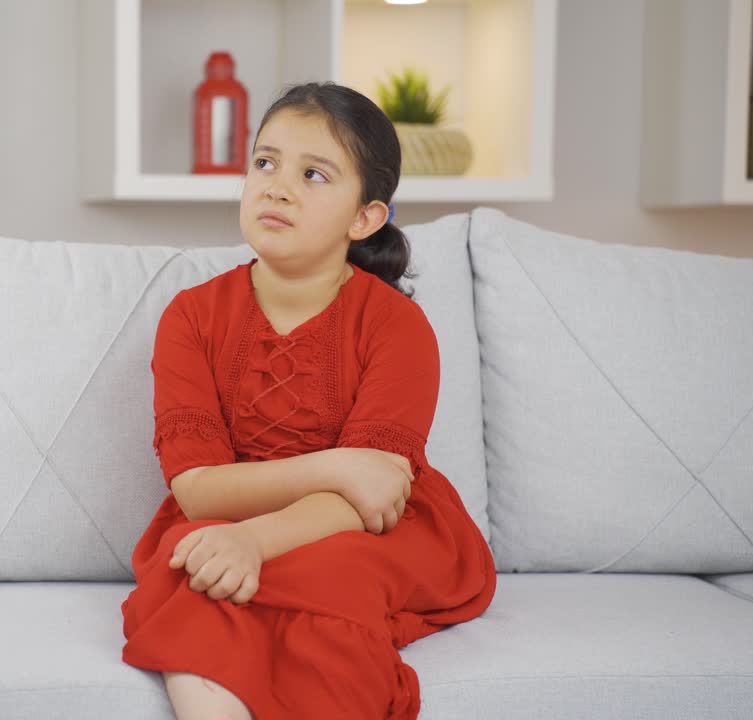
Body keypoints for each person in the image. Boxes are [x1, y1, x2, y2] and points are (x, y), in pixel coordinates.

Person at [119, 82, 497, 720]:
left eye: (314, 173)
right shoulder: (190, 317)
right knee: (194, 559)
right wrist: (335, 468)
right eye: (264, 162)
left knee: (332, 569)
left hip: (370, 530)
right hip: (234, 515)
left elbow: (376, 497)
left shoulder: (397, 327)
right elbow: (197, 489)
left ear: (365, 218)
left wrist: (258, 542)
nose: (277, 185)